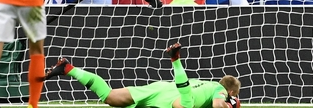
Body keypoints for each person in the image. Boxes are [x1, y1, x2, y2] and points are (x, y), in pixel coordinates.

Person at [44, 43, 241, 108]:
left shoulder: (206, 83)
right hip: (178, 97)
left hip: (162, 88)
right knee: (186, 105)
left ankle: (68, 68)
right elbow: (218, 104)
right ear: (231, 90)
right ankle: (176, 61)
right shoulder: (221, 90)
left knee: (110, 97)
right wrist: (231, 103)